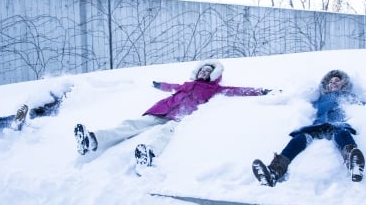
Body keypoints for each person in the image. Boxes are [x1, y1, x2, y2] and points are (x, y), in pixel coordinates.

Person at [73, 60, 272, 174]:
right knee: (132, 124)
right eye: (202, 69)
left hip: (181, 117)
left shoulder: (215, 89)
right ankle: (93, 140)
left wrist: (261, 91)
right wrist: (158, 84)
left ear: (213, 75)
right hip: (162, 110)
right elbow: (172, 86)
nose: (204, 72)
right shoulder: (186, 84)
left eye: (208, 71)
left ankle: (148, 154)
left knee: (164, 133)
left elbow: (238, 90)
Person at [252, 69, 366, 186]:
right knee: (299, 139)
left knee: (342, 134)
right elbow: (309, 107)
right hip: (316, 127)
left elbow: (363, 108)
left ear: (344, 83)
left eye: (337, 80)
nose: (333, 83)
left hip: (337, 125)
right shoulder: (319, 99)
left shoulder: (349, 97)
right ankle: (274, 172)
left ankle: (355, 164)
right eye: (330, 81)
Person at [0, 89, 69, 131]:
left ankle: (17, 124)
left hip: (42, 120)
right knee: (20, 116)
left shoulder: (66, 105)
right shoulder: (56, 97)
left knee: (25, 119)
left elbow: (55, 111)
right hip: (35, 113)